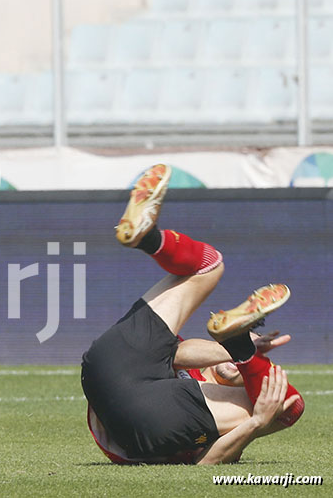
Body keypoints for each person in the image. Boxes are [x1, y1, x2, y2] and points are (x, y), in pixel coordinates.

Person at [82, 163, 305, 465]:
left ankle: (242, 348)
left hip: (136, 420)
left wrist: (256, 424)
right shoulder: (199, 366)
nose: (234, 372)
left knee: (286, 406)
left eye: (242, 375)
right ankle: (147, 237)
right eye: (240, 366)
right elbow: (176, 353)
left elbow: (207, 462)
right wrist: (228, 350)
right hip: (108, 366)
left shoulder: (217, 408)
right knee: (209, 265)